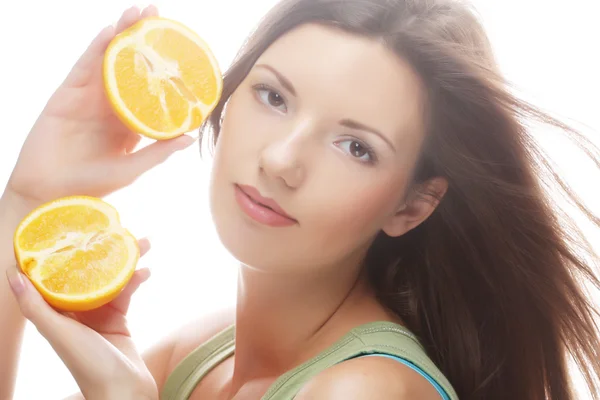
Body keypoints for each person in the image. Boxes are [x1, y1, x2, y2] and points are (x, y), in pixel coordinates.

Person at [1, 1, 599, 399]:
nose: (282, 160)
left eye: (356, 147)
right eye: (273, 97)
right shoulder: (199, 353)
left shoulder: (366, 390)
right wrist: (28, 199)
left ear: (411, 208)